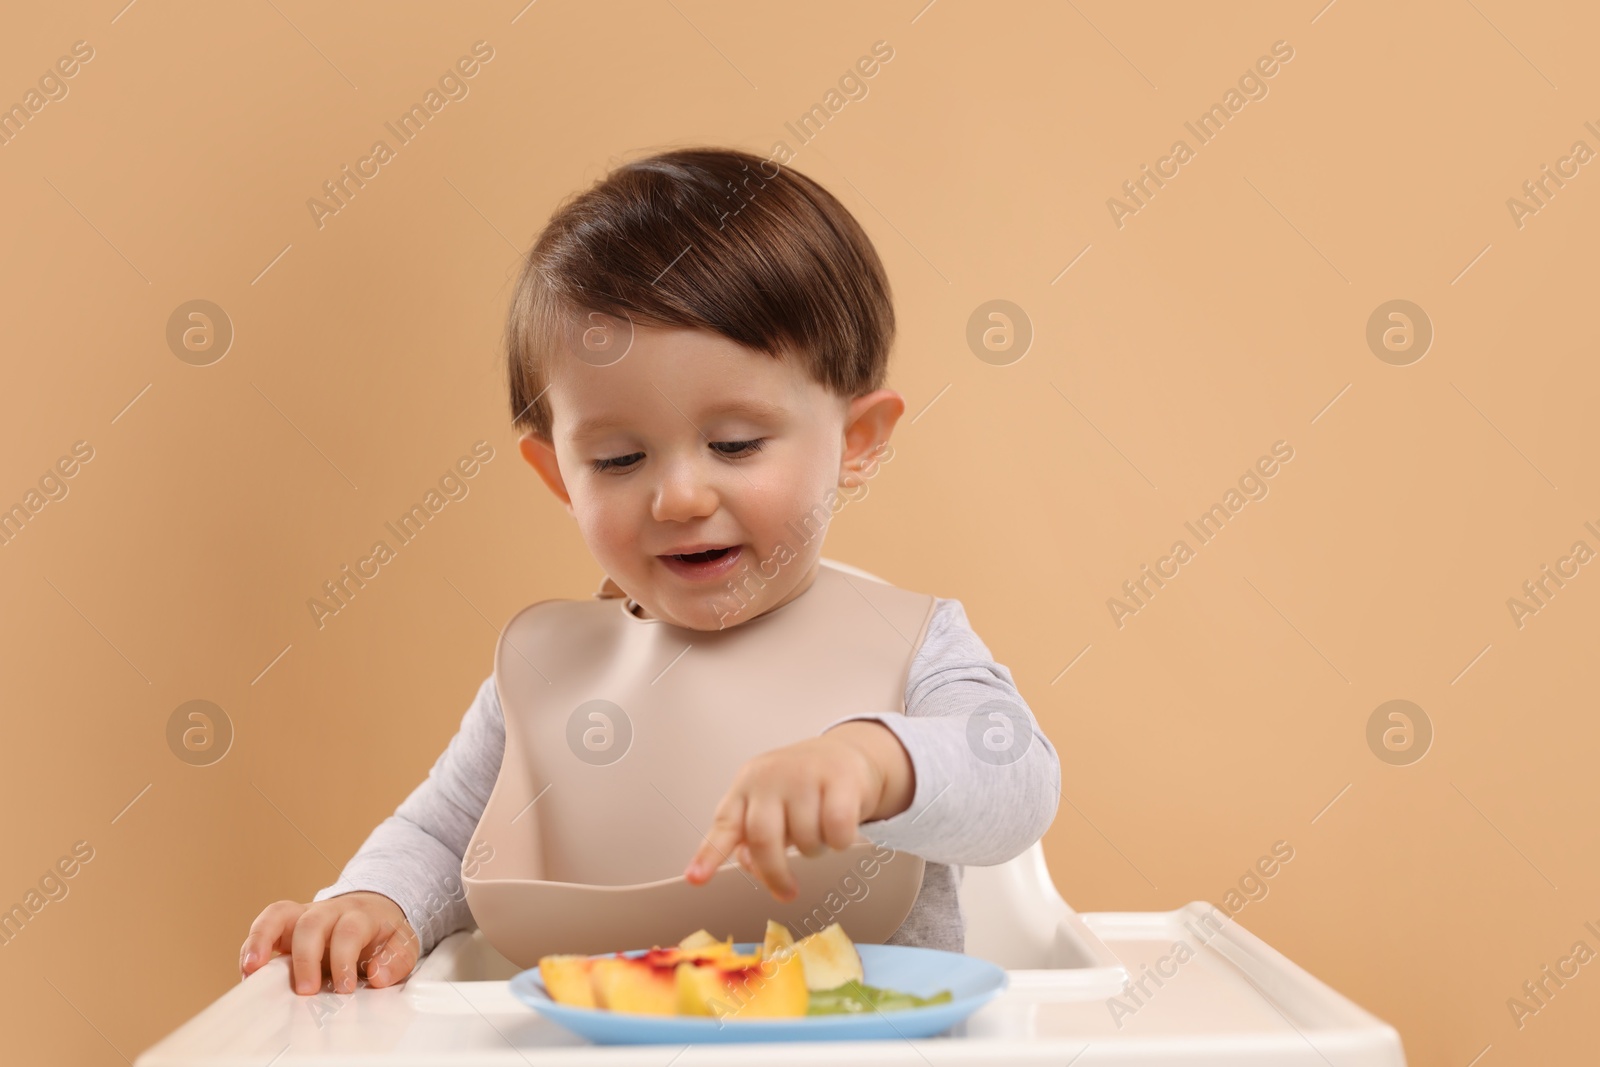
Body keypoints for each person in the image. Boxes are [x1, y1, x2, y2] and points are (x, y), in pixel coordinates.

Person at [239, 146, 1060, 996]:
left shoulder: (909, 645)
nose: (677, 495)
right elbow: (446, 836)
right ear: (559, 474)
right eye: (620, 458)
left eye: (735, 444)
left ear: (857, 443)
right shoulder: (553, 669)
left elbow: (1018, 776)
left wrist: (873, 761)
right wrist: (373, 901)